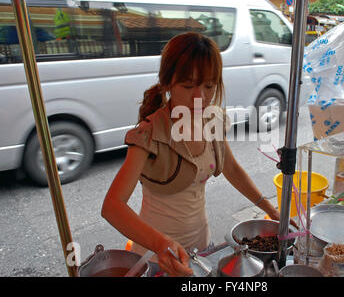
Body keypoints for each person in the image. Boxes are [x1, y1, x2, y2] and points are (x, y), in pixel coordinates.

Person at [101, 32, 292, 277]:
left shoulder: (212, 118)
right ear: (168, 82)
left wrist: (271, 209)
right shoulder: (148, 134)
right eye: (188, 85)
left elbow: (232, 169)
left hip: (202, 248)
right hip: (157, 256)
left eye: (209, 86)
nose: (200, 97)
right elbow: (112, 206)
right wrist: (161, 244)